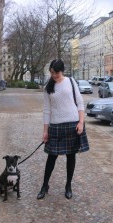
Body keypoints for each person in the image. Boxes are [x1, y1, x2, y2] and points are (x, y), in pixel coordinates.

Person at [37, 59, 89, 200]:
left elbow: (79, 102)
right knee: (51, 157)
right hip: (55, 126)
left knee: (71, 157)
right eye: (52, 73)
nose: (54, 75)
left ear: (62, 71)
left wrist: (81, 122)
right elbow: (47, 110)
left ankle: (68, 186)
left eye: (56, 73)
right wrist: (45, 131)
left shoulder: (71, 82)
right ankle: (45, 185)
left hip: (72, 125)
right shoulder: (48, 87)